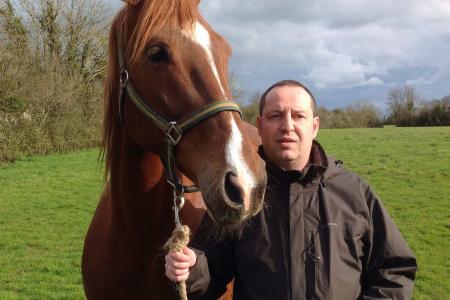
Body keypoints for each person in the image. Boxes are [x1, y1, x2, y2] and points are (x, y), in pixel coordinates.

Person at [165, 80, 417, 299]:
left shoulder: (355, 192)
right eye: (275, 116)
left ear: (314, 126)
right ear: (260, 126)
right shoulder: (241, 193)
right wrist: (192, 268)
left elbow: (394, 269)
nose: (287, 126)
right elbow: (211, 271)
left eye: (298, 116)